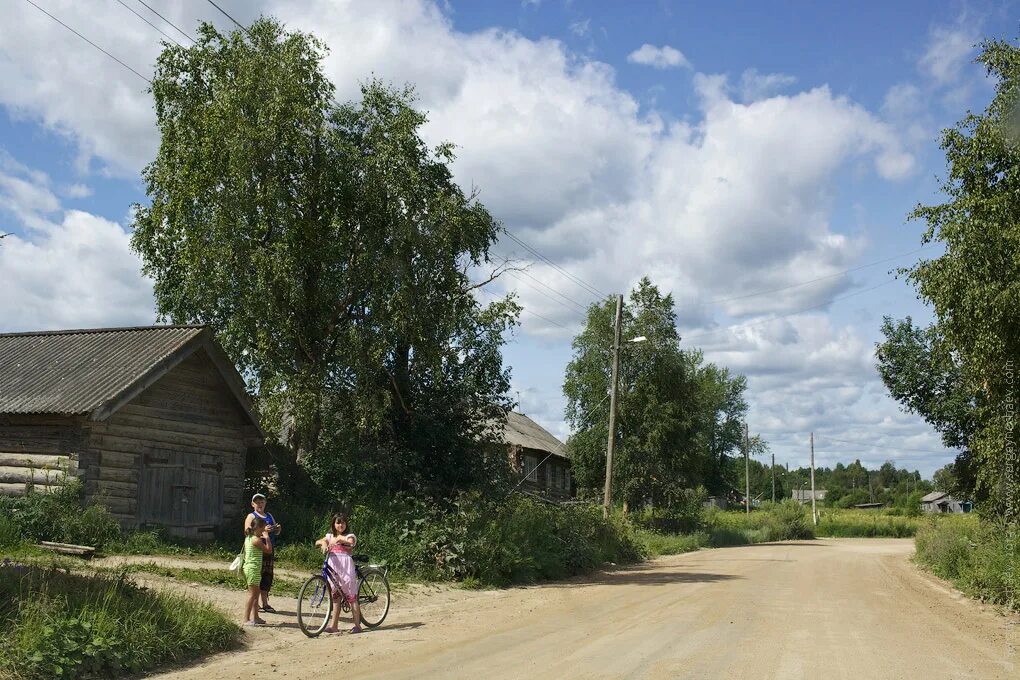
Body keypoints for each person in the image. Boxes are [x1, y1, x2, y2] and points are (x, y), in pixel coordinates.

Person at [315, 512, 362, 634]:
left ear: (346, 524)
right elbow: (318, 541)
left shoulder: (349, 535)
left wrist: (341, 539)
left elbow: (351, 542)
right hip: (333, 567)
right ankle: (333, 625)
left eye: (343, 522)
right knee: (335, 597)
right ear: (333, 524)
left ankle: (357, 625)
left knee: (351, 597)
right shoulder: (330, 536)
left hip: (346, 568)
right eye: (338, 522)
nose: (340, 525)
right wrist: (324, 543)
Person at [245, 493, 282, 613]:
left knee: (267, 576)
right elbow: (247, 532)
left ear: (265, 503)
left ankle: (265, 603)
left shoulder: (269, 515)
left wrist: (277, 529)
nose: (260, 504)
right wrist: (262, 531)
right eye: (257, 502)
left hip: (269, 547)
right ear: (253, 504)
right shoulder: (251, 516)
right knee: (257, 576)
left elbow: (275, 532)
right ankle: (256, 605)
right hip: (257, 549)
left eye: (262, 502)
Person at [242, 516, 273, 626]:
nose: (265, 530)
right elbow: (269, 550)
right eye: (263, 528)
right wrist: (267, 537)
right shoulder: (256, 540)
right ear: (259, 528)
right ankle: (246, 619)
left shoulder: (249, 537)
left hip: (250, 568)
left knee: (256, 593)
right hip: (253, 569)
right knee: (252, 595)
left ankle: (256, 617)